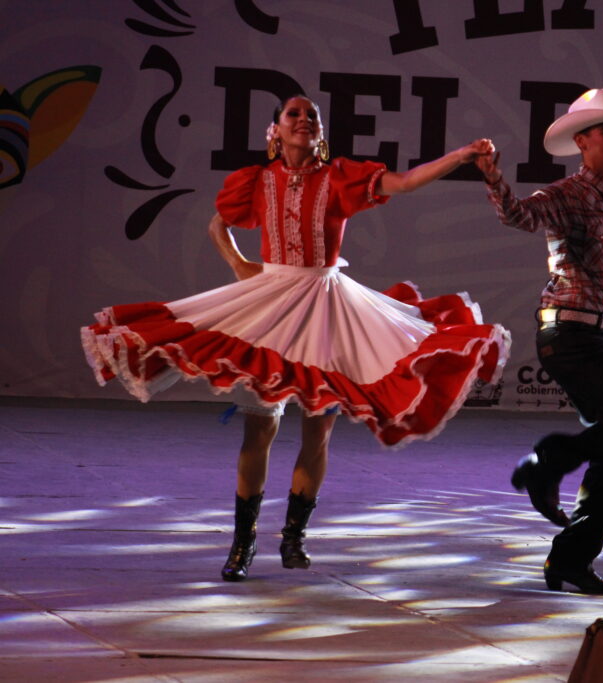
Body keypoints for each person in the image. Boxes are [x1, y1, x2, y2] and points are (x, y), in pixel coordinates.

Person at [82, 95, 510, 582]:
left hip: (326, 306)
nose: (304, 120)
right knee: (259, 428)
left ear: (320, 135)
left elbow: (406, 182)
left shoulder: (340, 177)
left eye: (313, 116)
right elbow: (218, 223)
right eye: (294, 115)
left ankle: (293, 537)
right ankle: (242, 545)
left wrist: (460, 156)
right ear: (276, 132)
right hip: (273, 304)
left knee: (317, 428)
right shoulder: (256, 181)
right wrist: (240, 266)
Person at [475, 88, 603, 595]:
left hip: (591, 338)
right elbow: (519, 216)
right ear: (582, 142)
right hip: (564, 333)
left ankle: (569, 561)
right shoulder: (567, 193)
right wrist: (495, 178)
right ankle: (548, 463)